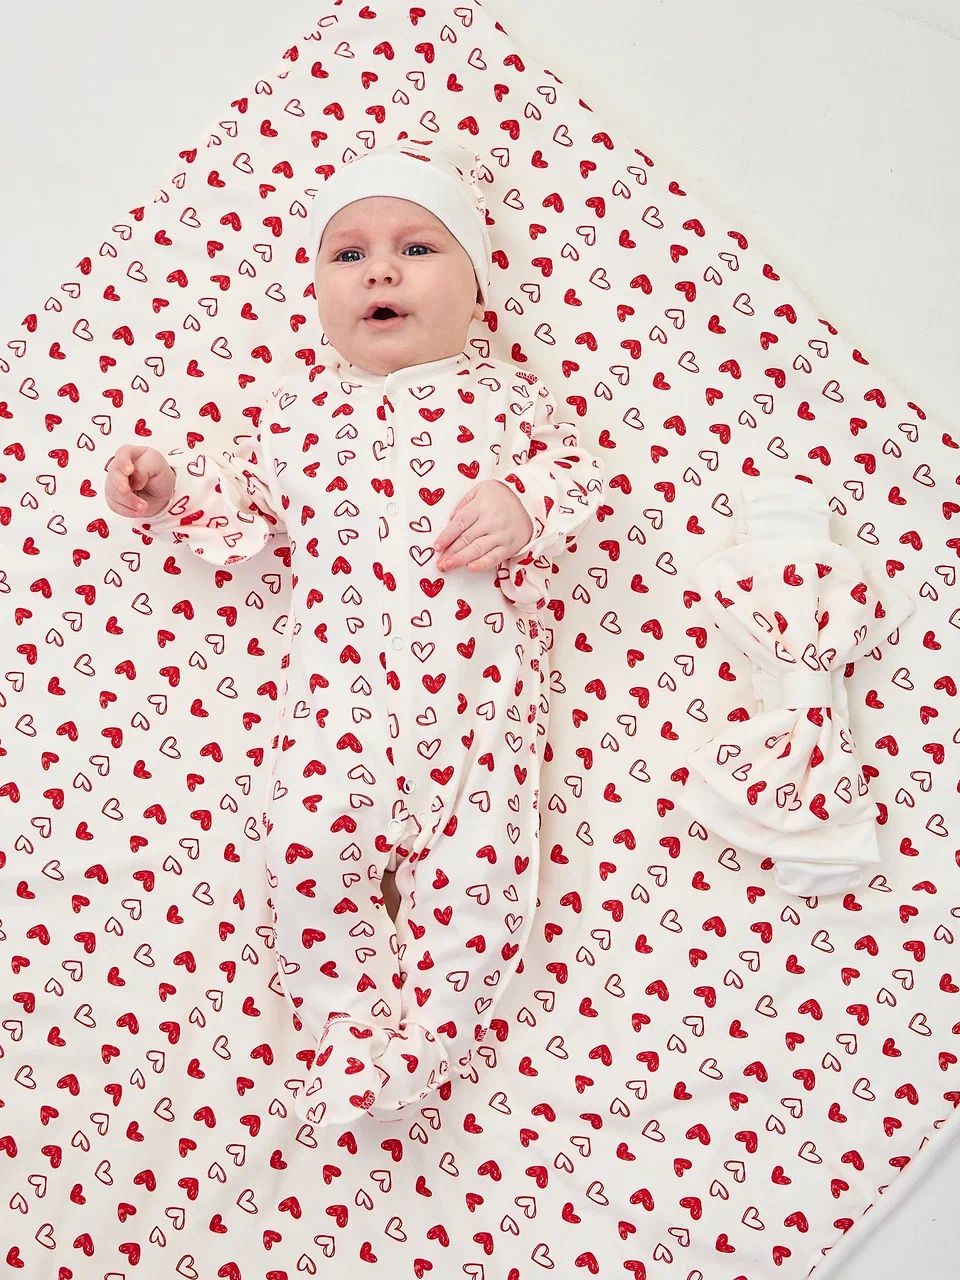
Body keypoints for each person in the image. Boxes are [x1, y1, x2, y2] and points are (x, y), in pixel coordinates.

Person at [103, 141, 606, 1126]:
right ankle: (345, 1028)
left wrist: (524, 503)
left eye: (417, 247)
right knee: (301, 851)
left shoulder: (505, 399)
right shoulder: (297, 415)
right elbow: (243, 505)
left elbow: (580, 475)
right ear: (318, 294)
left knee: (481, 884)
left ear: (476, 287)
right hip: (335, 712)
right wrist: (168, 487)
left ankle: (427, 1043)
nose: (380, 271)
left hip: (475, 716)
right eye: (349, 254)